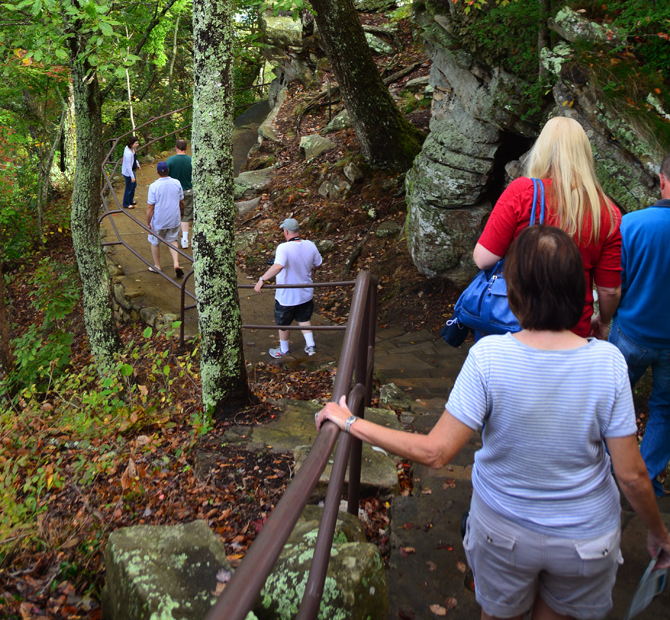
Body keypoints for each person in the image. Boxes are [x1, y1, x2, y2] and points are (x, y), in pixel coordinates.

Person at [317, 225, 670, 620]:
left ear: (514, 289)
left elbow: (436, 452)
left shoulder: (489, 357)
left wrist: (349, 422)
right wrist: (657, 531)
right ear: (579, 289)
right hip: (584, 539)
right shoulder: (607, 362)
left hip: (504, 531)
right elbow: (633, 475)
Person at [473, 116, 621, 338]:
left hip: (514, 323)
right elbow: (609, 289)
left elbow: (483, 259)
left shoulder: (523, 192)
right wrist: (602, 320)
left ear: (541, 149)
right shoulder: (607, 212)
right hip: (573, 329)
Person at [610, 152, 670, 498]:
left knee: (612, 401)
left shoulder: (633, 224)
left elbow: (616, 284)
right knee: (665, 409)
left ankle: (607, 472)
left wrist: (605, 318)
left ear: (661, 179)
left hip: (632, 333)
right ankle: (645, 482)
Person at [254, 217, 322, 360]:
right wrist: (313, 270)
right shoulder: (310, 245)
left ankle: (284, 350)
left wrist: (262, 279)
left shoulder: (283, 247)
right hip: (305, 292)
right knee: (303, 318)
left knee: (283, 323)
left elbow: (278, 266)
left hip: (287, 295)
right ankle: (311, 345)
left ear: (286, 231)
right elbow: (318, 263)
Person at [146, 160, 184, 279]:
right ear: (168, 171)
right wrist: (181, 213)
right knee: (172, 240)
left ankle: (157, 265)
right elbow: (181, 201)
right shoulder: (177, 183)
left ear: (157, 172)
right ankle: (176, 264)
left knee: (155, 242)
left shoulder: (154, 186)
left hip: (159, 220)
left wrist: (148, 223)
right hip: (174, 218)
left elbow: (150, 207)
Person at [166, 138, 193, 250]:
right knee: (185, 215)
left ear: (176, 147)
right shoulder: (192, 160)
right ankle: (185, 240)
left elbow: (165, 176)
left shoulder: (170, 161)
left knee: (174, 214)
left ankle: (174, 237)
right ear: (186, 148)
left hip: (173, 192)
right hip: (187, 191)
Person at [121, 135, 140, 209]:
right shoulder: (128, 153)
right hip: (128, 172)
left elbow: (134, 159)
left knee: (133, 186)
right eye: (136, 143)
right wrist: (132, 176)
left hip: (132, 170)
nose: (137, 145)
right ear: (131, 144)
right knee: (129, 187)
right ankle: (126, 203)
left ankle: (130, 200)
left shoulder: (132, 149)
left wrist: (137, 164)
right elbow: (128, 166)